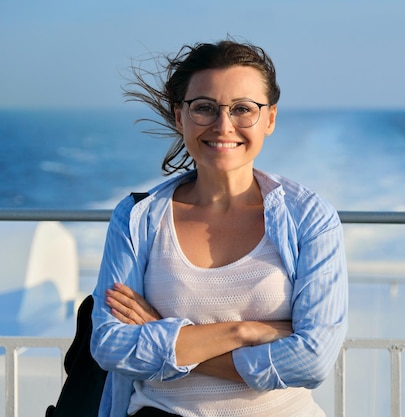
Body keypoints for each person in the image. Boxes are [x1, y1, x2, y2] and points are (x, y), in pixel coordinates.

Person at [90, 39, 348, 417]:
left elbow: (313, 360)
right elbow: (112, 346)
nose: (223, 125)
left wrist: (165, 333)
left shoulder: (309, 218)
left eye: (243, 109)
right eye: (204, 108)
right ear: (180, 118)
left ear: (270, 119)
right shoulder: (137, 218)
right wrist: (241, 332)